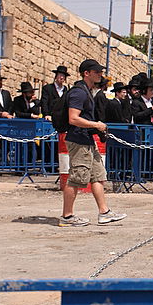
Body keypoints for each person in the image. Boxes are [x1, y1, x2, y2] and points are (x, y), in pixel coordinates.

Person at [59, 59, 126, 227]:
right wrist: (96, 125)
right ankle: (67, 216)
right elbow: (73, 118)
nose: (100, 74)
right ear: (86, 73)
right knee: (76, 178)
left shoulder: (87, 91)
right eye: (96, 72)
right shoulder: (79, 92)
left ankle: (104, 212)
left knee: (97, 175)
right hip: (78, 140)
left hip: (86, 140)